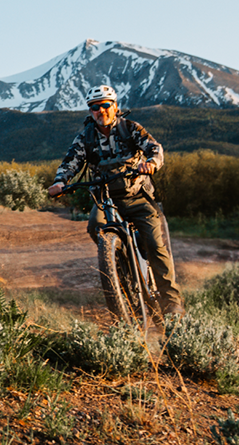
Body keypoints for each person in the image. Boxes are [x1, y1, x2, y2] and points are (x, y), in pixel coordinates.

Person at [47, 85, 184, 317]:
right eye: (94, 107)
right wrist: (60, 182)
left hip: (137, 196)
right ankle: (118, 266)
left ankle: (171, 304)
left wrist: (151, 163)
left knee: (154, 244)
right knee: (95, 227)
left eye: (105, 105)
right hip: (105, 199)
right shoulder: (85, 137)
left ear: (115, 106)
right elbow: (71, 161)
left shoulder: (130, 129)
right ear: (90, 111)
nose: (100, 111)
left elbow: (154, 148)